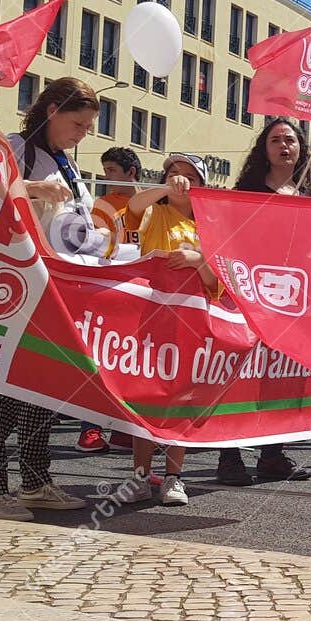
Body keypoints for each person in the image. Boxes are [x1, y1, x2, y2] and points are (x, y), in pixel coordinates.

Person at [0, 77, 100, 521]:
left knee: (46, 384)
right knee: (0, 385)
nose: (83, 134)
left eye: (87, 127)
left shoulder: (67, 163)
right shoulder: (14, 148)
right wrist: (35, 189)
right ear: (51, 112)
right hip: (16, 280)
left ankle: (36, 480)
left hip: (56, 283)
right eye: (77, 124)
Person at [215, 118, 311, 486]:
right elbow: (231, 239)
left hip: (293, 299)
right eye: (276, 140)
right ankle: (228, 455)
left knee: (283, 378)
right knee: (241, 376)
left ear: (301, 149)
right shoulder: (247, 191)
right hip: (252, 293)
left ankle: (272, 454)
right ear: (264, 150)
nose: (284, 146)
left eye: (291, 140)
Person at [117, 153, 221, 506]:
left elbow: (216, 284)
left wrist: (199, 260)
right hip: (149, 318)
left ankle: (174, 477)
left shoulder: (211, 228)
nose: (180, 180)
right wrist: (161, 187)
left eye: (189, 176)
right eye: (173, 174)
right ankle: (140, 475)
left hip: (190, 325)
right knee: (145, 395)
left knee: (182, 397)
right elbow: (132, 207)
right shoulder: (154, 213)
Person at [85, 145, 146, 455]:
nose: (106, 177)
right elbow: (98, 244)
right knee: (101, 357)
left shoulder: (150, 204)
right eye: (105, 170)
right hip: (113, 287)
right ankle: (90, 428)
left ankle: (126, 430)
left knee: (134, 361)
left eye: (111, 171)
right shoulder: (103, 204)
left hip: (143, 289)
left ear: (131, 173)